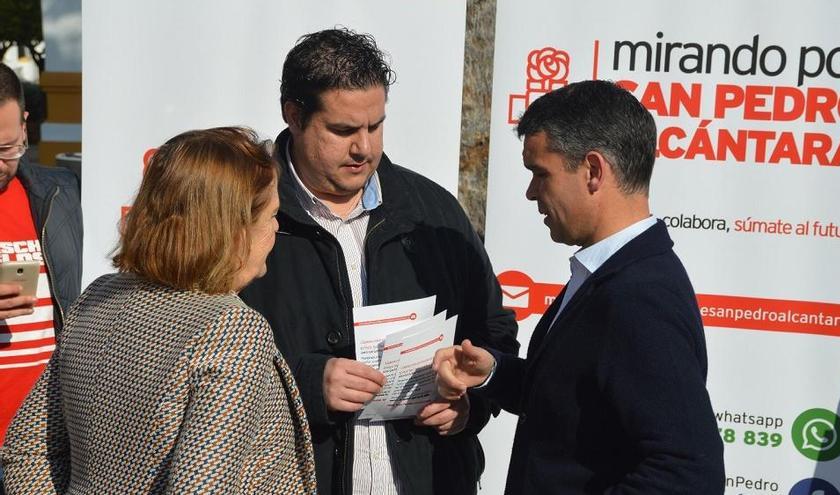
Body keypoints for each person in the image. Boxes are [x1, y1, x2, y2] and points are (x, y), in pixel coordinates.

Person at [239, 28, 519, 494]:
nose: (364, 148)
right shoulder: (243, 214)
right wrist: (306, 385)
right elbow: (193, 354)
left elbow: (492, 332)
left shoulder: (433, 211)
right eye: (343, 130)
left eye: (375, 126)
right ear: (293, 115)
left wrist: (469, 405)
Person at [433, 80, 725, 494]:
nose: (531, 192)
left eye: (540, 174)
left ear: (592, 171)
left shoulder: (639, 296)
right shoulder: (610, 273)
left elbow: (687, 471)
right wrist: (493, 372)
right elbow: (575, 403)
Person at [1, 127, 317, 494]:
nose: (276, 227)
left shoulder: (99, 298)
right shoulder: (232, 327)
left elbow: (29, 448)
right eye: (272, 214)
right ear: (235, 229)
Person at [0, 63, 82, 493]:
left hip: (43, 444)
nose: (0, 163)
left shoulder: (59, 192)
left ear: (26, 122)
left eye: (8, 148)